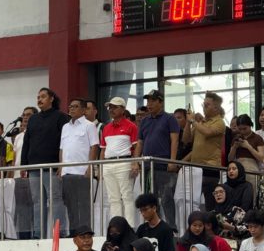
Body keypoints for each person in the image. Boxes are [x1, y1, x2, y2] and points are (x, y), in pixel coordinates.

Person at [21, 88, 69, 238]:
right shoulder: (33, 119)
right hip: (34, 166)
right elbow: (27, 142)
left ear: (51, 99)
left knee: (55, 199)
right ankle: (38, 233)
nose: (39, 100)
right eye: (38, 97)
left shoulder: (61, 117)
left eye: (43, 96)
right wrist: (24, 164)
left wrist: (62, 164)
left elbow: (65, 143)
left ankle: (59, 231)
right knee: (37, 201)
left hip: (52, 166)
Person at [132, 90, 180, 227]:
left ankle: (171, 228)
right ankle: (153, 226)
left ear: (161, 102)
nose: (149, 104)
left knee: (166, 198)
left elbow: (175, 140)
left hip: (163, 164)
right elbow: (140, 143)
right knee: (150, 200)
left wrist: (172, 161)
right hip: (147, 166)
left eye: (153, 101)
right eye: (148, 101)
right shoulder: (145, 121)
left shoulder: (169, 119)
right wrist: (135, 161)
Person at [59, 98, 99, 235]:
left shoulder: (89, 125)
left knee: (83, 205)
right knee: (70, 205)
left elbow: (94, 146)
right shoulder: (65, 127)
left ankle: (85, 233)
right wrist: (61, 167)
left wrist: (90, 166)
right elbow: (62, 149)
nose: (71, 109)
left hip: (82, 172)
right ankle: (73, 233)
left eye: (75, 106)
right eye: (70, 106)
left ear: (83, 110)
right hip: (67, 172)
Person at [183, 92, 226, 211]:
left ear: (216, 108)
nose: (204, 107)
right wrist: (188, 122)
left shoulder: (219, 122)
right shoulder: (201, 122)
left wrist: (193, 121)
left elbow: (208, 132)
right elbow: (186, 140)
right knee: (192, 203)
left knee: (210, 204)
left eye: (207, 105)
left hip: (210, 168)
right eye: (203, 104)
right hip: (195, 168)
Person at [100, 96, 138, 224]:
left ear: (123, 109)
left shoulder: (131, 126)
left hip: (124, 162)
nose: (111, 110)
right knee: (113, 198)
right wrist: (100, 167)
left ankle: (129, 227)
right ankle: (116, 227)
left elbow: (136, 147)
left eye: (115, 107)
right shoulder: (106, 128)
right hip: (108, 164)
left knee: (127, 196)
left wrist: (135, 163)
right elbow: (103, 149)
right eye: (110, 107)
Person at [13, 106, 38, 239]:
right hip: (18, 176)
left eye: (29, 115)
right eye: (24, 115)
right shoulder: (18, 137)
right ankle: (23, 235)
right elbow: (15, 158)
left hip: (32, 174)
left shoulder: (37, 133)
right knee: (21, 207)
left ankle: (36, 234)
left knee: (35, 206)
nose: (25, 117)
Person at [228, 114, 264, 193]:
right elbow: (230, 159)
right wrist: (234, 147)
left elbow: (262, 158)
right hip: (237, 169)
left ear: (250, 125)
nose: (242, 131)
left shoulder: (257, 138)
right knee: (237, 193)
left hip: (251, 170)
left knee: (251, 193)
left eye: (245, 128)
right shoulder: (236, 138)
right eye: (240, 129)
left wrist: (248, 146)